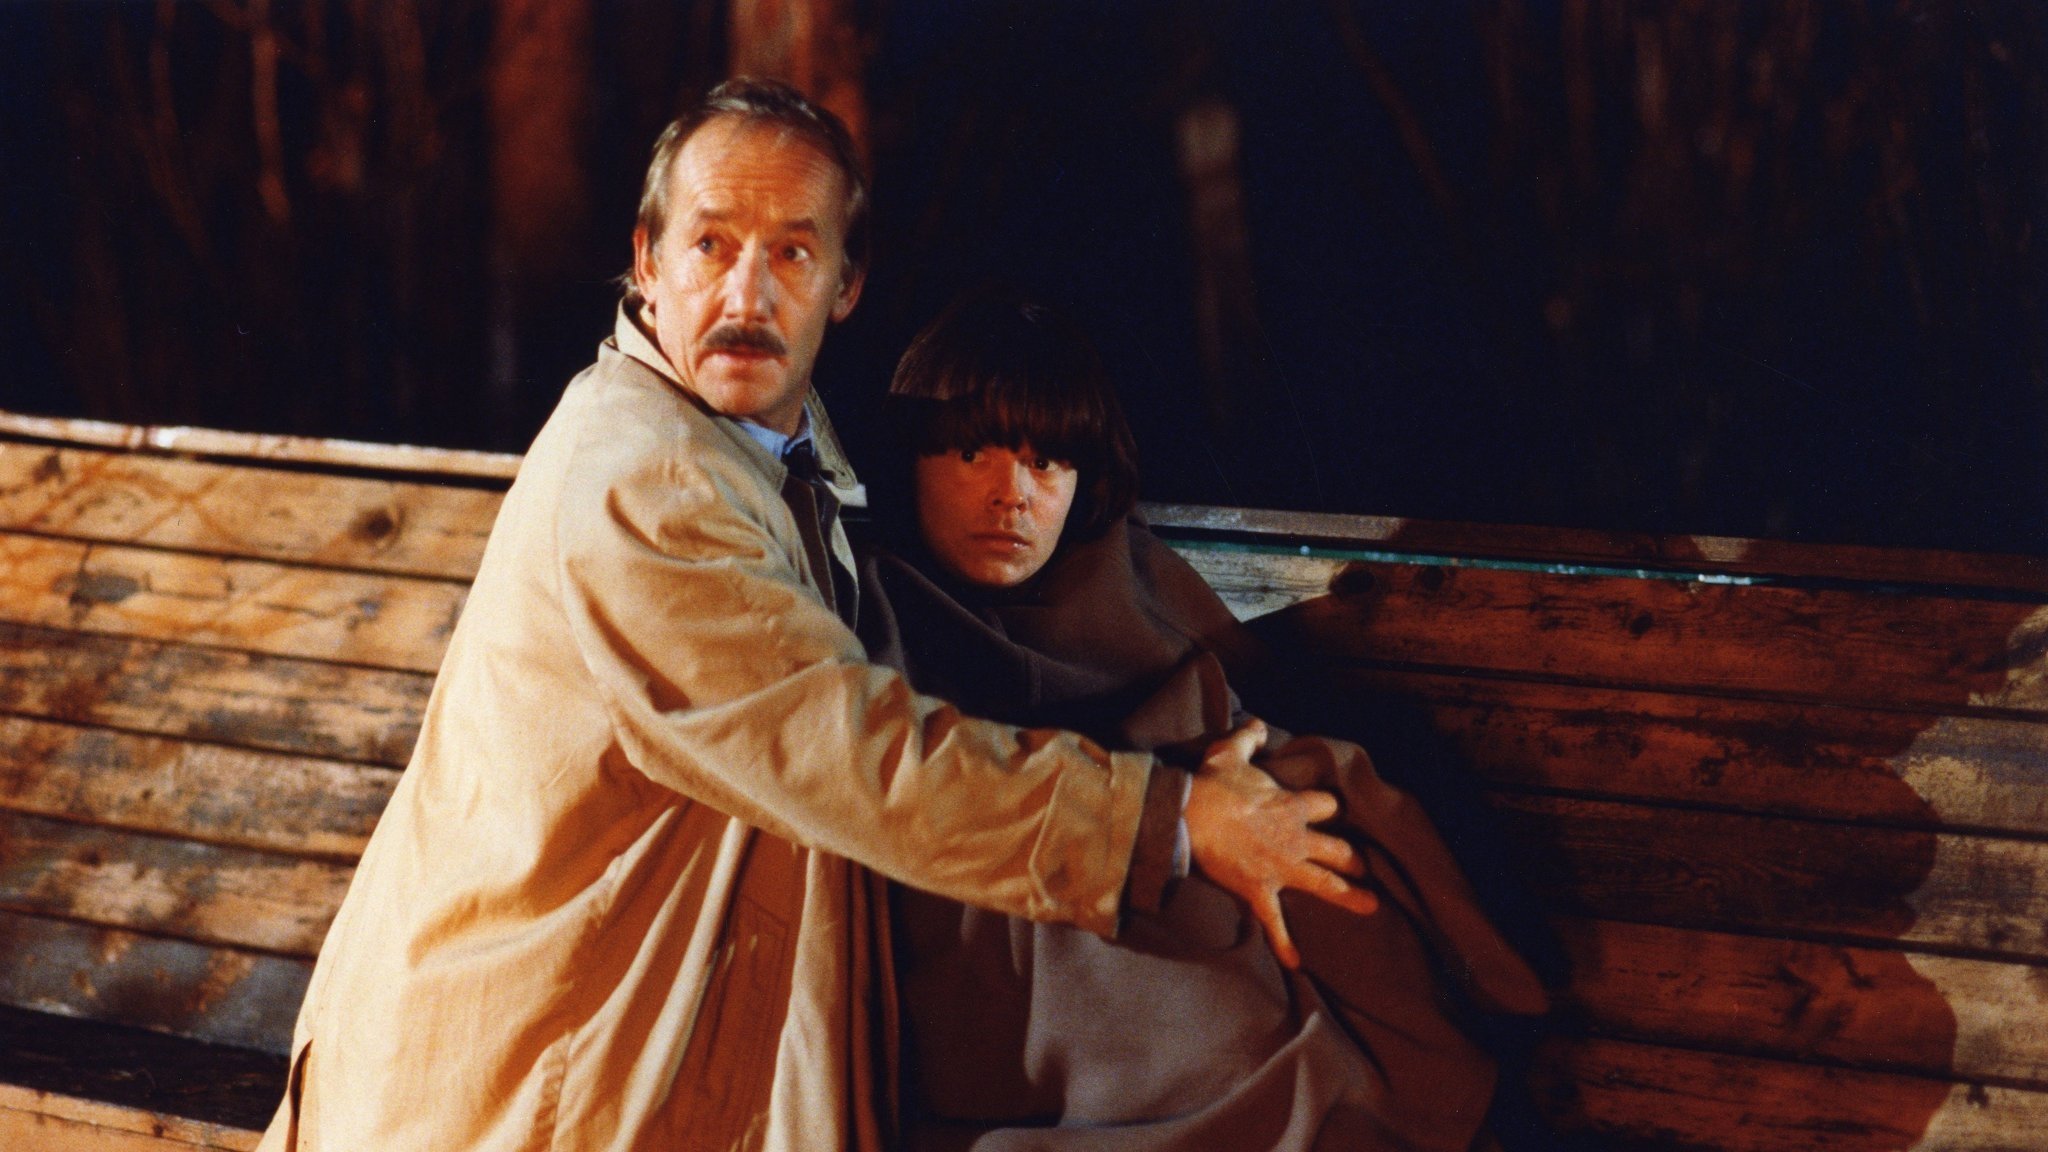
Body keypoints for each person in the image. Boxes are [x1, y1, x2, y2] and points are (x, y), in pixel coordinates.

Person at [257, 80, 1372, 1152]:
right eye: (710, 245)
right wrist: (1168, 822)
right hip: (526, 1080)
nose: (747, 296)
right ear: (647, 263)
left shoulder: (761, 449)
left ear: (846, 284)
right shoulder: (646, 477)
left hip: (617, 1029)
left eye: (791, 251)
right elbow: (843, 751)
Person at [855, 291, 1552, 1151]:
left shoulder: (1120, 570)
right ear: (913, 457)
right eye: (972, 454)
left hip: (1191, 879)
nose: (1014, 497)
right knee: (1235, 1039)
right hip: (1014, 922)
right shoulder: (879, 605)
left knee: (1315, 824)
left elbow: (1233, 700)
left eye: (1048, 463)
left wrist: (1226, 771)